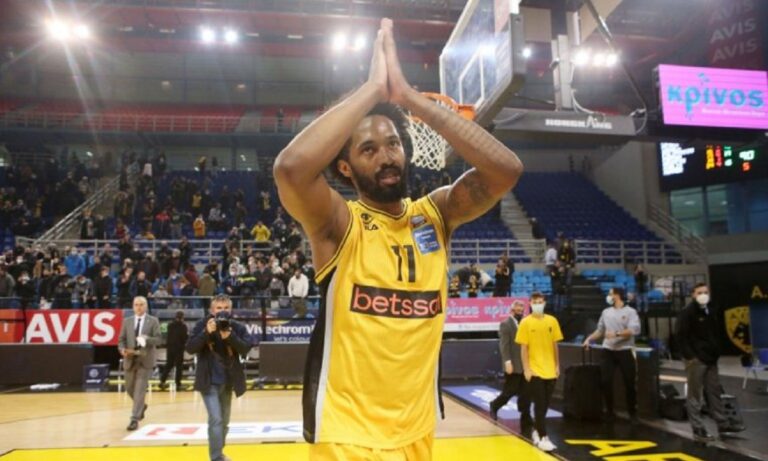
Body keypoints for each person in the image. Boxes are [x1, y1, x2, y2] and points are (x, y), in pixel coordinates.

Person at [273, 18, 523, 459]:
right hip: (348, 438)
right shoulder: (338, 224)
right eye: (368, 150)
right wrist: (373, 89)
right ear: (346, 167)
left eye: (393, 144)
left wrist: (408, 97)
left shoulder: (437, 214)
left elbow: (506, 171)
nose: (386, 157)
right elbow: (290, 169)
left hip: (417, 434)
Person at [675, 283, 745, 442]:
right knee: (695, 394)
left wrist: (716, 351)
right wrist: (691, 356)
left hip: (711, 358)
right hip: (696, 359)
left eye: (705, 292)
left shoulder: (711, 310)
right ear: (693, 295)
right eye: (699, 292)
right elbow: (680, 336)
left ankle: (723, 424)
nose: (703, 295)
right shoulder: (687, 313)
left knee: (714, 391)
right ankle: (698, 427)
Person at [186, 294, 253, 461]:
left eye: (226, 308)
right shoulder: (202, 325)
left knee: (224, 421)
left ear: (231, 309)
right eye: (219, 308)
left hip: (228, 381)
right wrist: (205, 333)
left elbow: (246, 348)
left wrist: (230, 337)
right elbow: (190, 348)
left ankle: (218, 449)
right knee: (215, 419)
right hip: (208, 381)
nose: (222, 312)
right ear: (212, 310)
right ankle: (216, 457)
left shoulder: (236, 327)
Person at [582, 287, 641, 422]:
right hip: (608, 350)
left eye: (610, 294)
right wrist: (589, 339)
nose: (608, 296)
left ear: (617, 295)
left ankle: (632, 412)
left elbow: (634, 330)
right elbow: (600, 330)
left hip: (625, 350)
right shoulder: (606, 312)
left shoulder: (630, 312)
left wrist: (616, 334)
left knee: (629, 382)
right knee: (605, 381)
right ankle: (609, 411)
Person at [516, 292, 562, 452]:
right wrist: (526, 369)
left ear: (545, 303)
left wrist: (557, 365)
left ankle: (536, 430)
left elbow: (555, 345)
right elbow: (523, 348)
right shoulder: (525, 322)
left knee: (545, 405)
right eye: (535, 302)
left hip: (550, 370)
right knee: (540, 404)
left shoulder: (552, 321)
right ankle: (543, 437)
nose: (538, 304)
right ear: (530, 303)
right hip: (535, 370)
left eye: (540, 302)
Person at [118, 296, 161, 431]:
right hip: (130, 359)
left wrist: (146, 339)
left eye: (141, 304)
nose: (139, 307)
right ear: (133, 306)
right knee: (129, 388)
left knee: (139, 391)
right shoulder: (127, 321)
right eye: (136, 304)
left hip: (145, 360)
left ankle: (134, 419)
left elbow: (159, 339)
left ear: (146, 306)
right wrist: (122, 350)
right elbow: (121, 340)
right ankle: (141, 406)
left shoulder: (153, 321)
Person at [490, 300, 529, 424]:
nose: (520, 313)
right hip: (513, 364)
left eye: (521, 311)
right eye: (517, 311)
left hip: (526, 364)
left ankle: (526, 416)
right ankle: (495, 405)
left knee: (526, 392)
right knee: (510, 391)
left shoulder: (525, 323)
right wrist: (507, 362)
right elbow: (504, 345)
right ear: (512, 311)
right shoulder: (505, 324)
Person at [160, 310, 189, 391]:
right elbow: (185, 338)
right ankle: (178, 384)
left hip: (170, 348)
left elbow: (167, 336)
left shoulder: (170, 325)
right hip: (179, 349)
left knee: (168, 365)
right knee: (179, 367)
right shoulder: (183, 326)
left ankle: (162, 381)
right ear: (182, 317)